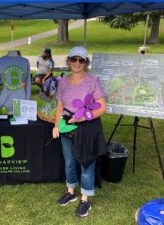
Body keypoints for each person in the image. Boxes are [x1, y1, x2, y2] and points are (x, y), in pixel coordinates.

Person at [52, 46, 107, 217]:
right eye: (73, 59)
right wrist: (56, 125)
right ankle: (71, 192)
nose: (77, 63)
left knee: (86, 163)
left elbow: (102, 107)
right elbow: (60, 107)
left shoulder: (92, 81)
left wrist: (83, 118)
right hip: (67, 126)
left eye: (81, 60)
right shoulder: (62, 82)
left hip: (87, 127)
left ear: (85, 63)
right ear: (68, 61)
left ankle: (85, 200)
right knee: (69, 162)